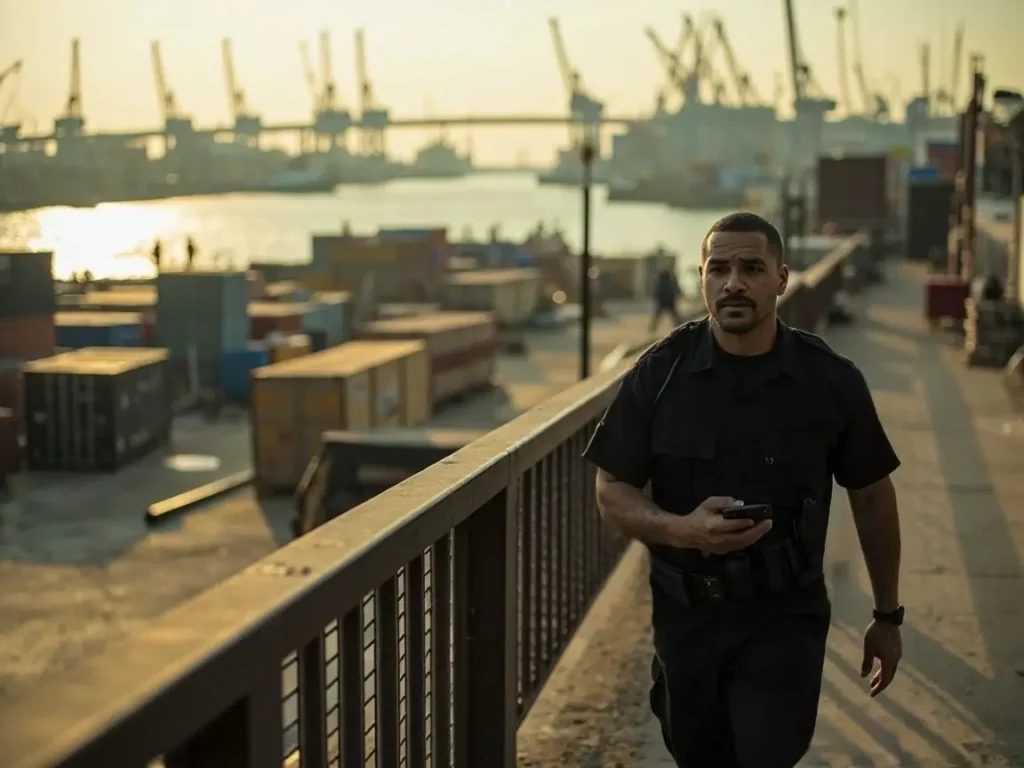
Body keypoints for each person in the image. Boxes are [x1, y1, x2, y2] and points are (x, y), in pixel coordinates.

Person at [583, 212, 903, 767]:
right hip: (687, 623)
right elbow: (611, 486)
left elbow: (872, 495)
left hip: (784, 617)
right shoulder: (660, 374)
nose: (734, 282)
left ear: (781, 278)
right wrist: (680, 529)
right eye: (719, 268)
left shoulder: (829, 381)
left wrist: (887, 615)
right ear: (701, 278)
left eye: (752, 268)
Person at [650, 258, 684, 333]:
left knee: (659, 315)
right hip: (668, 300)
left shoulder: (663, 280)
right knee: (673, 315)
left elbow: (656, 290)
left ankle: (653, 328)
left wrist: (656, 297)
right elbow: (676, 288)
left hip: (664, 300)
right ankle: (681, 326)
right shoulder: (670, 279)